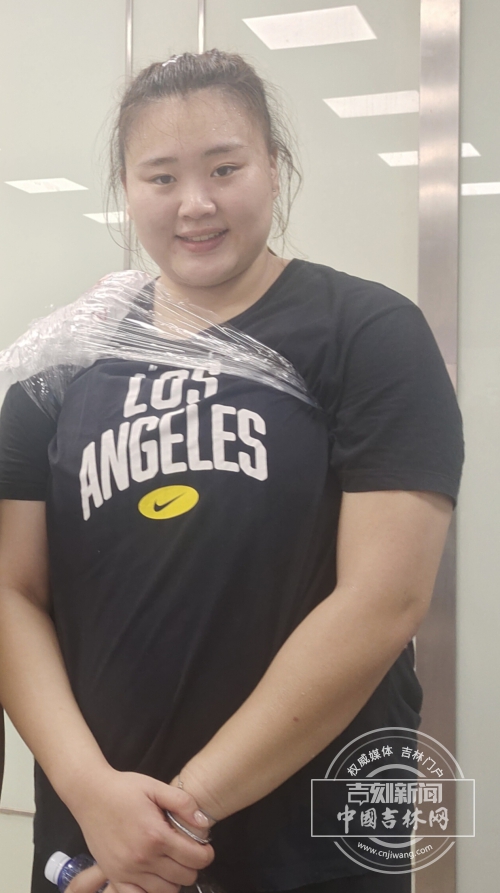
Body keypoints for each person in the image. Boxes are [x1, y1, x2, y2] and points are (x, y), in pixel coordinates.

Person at [0, 50, 463, 893]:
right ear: (126, 187)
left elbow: (385, 598)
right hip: (100, 846)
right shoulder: (60, 366)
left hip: (306, 849)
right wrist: (93, 795)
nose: (196, 203)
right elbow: (11, 591)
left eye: (225, 168)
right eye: (161, 176)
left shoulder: (367, 334)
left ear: (274, 168)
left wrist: (179, 817)